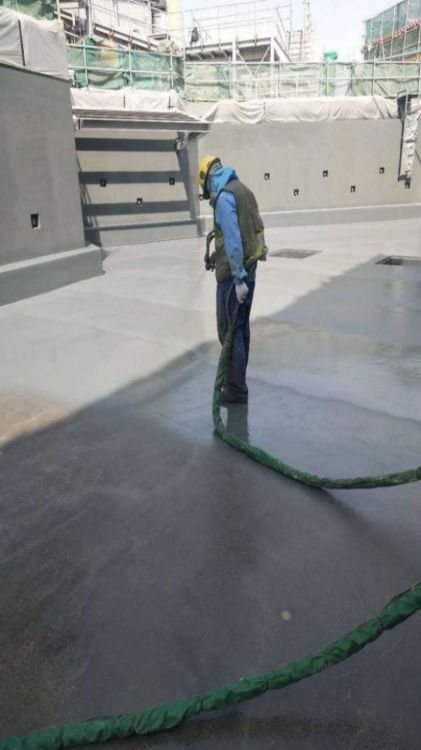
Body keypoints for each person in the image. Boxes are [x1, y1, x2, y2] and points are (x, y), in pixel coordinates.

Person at [199, 155, 267, 405]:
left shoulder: (224, 198)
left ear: (208, 180)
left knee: (229, 330)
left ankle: (236, 389)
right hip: (250, 269)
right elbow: (246, 231)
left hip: (234, 278)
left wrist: (238, 278)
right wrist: (217, 257)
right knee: (241, 328)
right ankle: (239, 382)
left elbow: (234, 238)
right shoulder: (243, 190)